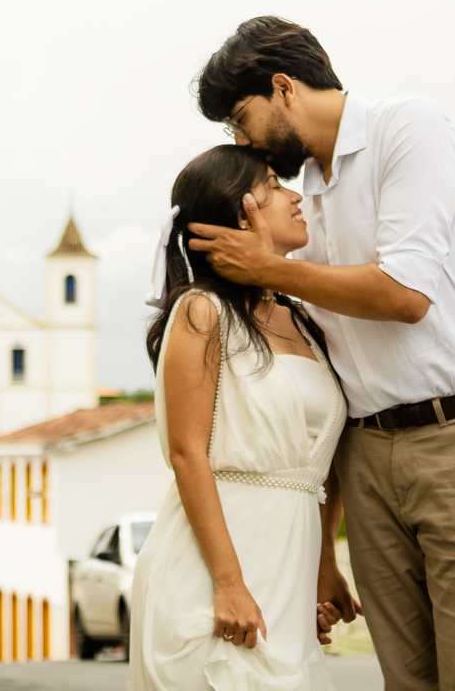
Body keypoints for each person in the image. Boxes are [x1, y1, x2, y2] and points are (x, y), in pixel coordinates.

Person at [188, 17, 455, 691]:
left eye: (242, 117)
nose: (241, 141)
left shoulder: (407, 128)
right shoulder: (297, 200)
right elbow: (335, 383)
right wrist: (325, 549)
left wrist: (266, 265)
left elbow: (406, 293)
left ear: (284, 87)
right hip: (367, 457)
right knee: (407, 684)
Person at [129, 145, 355, 691]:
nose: (296, 196)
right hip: (211, 581)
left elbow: (323, 468)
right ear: (238, 212)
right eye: (275, 184)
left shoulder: (308, 322)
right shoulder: (202, 313)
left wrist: (323, 562)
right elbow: (187, 455)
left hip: (288, 579)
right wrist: (229, 584)